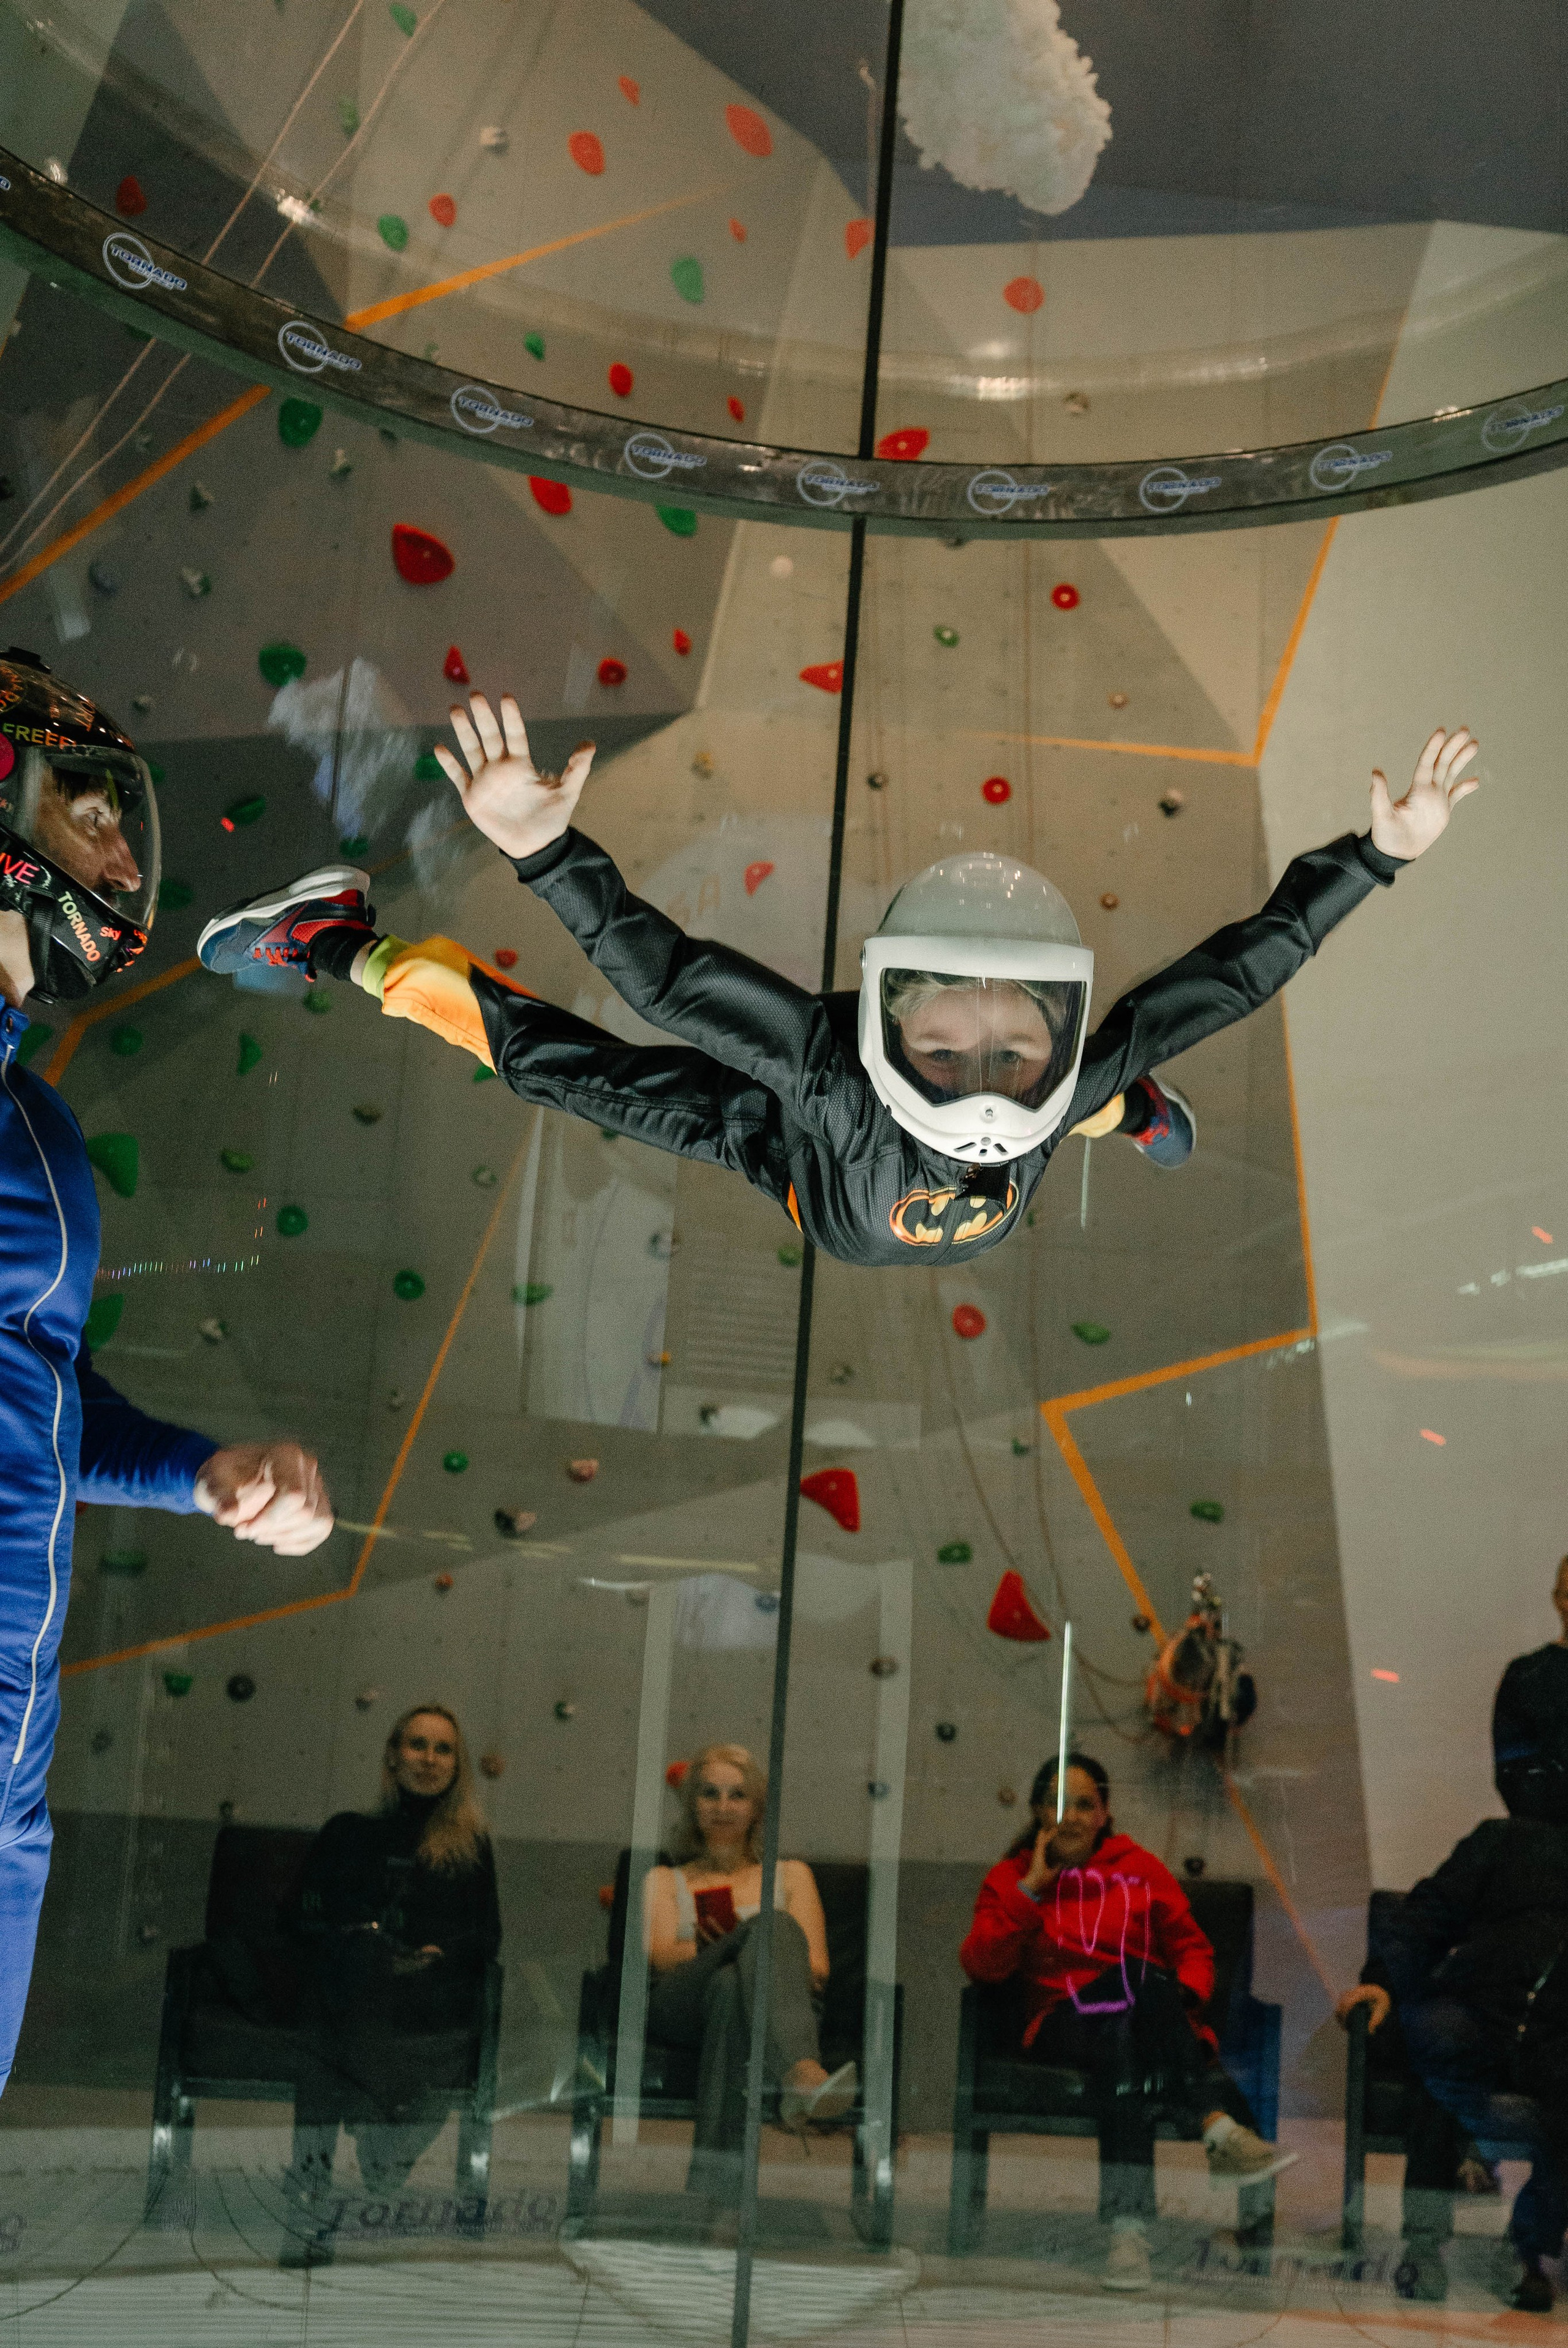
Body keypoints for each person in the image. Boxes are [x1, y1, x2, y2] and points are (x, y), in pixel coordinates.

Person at [194, 693, 1479, 1270]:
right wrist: (1374, 859)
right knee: (557, 1067)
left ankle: (1124, 1115)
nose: (979, 1062)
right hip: (796, 1147)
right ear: (880, 1022)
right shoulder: (836, 1071)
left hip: (816, 1172)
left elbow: (1243, 971)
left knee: (564, 1072)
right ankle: (339, 941)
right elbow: (664, 980)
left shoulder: (1040, 1058)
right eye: (958, 1032)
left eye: (1001, 1043)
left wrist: (1380, 854)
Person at [0, 646, 334, 2098]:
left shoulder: (34, 1114)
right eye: (87, 806)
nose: (125, 849)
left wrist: (198, 1468)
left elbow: (39, 1402)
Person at [960, 1751, 1293, 2293]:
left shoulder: (1139, 1869)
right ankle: (1213, 2126)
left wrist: (1177, 1997)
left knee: (1128, 2033)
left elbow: (1193, 1950)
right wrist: (1031, 1888)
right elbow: (981, 1964)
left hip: (1131, 2029)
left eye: (1084, 1804)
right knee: (1137, 1979)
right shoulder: (1009, 1878)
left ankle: (1127, 2232)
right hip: (1057, 2025)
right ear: (1038, 1812)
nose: (1071, 1817)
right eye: (1058, 1803)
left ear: (1104, 1814)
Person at [282, 1703, 502, 2264]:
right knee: (349, 1982)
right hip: (353, 1988)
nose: (429, 1759)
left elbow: (486, 1939)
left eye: (443, 1749)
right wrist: (358, 1940)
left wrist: (438, 1955)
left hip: (428, 1994)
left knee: (342, 2022)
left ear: (458, 1766)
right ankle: (318, 2187)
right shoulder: (348, 1833)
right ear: (393, 1754)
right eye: (417, 1745)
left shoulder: (471, 1848)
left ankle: (362, 2152)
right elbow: (300, 1919)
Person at [1336, 1810, 1568, 2313]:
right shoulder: (1507, 1841)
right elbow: (1426, 1916)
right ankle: (1424, 2243)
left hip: (1558, 2030)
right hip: (1483, 2010)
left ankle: (1530, 2249)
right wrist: (1381, 1978)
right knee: (1440, 2043)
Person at [643, 1742, 854, 2204]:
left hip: (763, 2005)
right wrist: (741, 1940)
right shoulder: (664, 1879)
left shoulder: (792, 1875)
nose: (722, 1807)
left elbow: (817, 1968)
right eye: (709, 1794)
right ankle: (800, 2072)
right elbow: (660, 1957)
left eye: (737, 1795)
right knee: (771, 1924)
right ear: (691, 1804)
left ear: (756, 1808)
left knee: (729, 1988)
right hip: (681, 2004)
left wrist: (729, 1956)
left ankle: (712, 2199)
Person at [1492, 1557, 1568, 1824]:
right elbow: (1514, 1776)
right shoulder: (1525, 1677)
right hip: (1553, 1846)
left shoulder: (1526, 1675)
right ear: (1559, 1600)